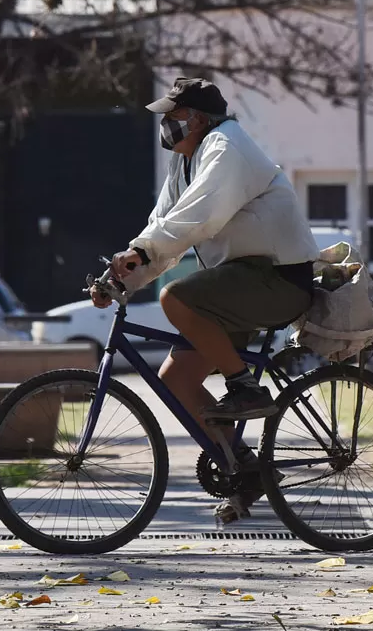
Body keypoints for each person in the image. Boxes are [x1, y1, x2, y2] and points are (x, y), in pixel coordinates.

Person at [95, 77, 319, 522]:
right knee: (175, 378)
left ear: (196, 118)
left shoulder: (225, 145)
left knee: (177, 297)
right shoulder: (187, 161)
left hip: (276, 278)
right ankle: (247, 468)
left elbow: (199, 216)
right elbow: (165, 223)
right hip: (240, 281)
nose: (165, 125)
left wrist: (144, 256)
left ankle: (245, 388)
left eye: (172, 116)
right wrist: (122, 274)